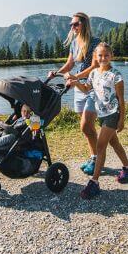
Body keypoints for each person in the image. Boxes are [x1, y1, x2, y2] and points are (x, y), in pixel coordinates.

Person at [68, 42, 128, 199]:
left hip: (113, 114)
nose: (103, 58)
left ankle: (94, 182)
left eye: (106, 55)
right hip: (102, 115)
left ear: (111, 56)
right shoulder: (93, 74)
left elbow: (121, 100)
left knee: (100, 146)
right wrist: (76, 82)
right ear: (95, 57)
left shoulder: (116, 75)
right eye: (100, 55)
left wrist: (122, 119)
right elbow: (86, 89)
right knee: (114, 143)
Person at [47, 12, 102, 174]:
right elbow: (70, 64)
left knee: (86, 126)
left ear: (84, 24)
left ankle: (97, 158)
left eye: (76, 24)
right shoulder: (74, 43)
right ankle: (95, 156)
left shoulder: (95, 42)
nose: (73, 27)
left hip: (92, 87)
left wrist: (74, 77)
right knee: (88, 129)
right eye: (71, 25)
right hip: (78, 87)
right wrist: (56, 73)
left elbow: (93, 67)